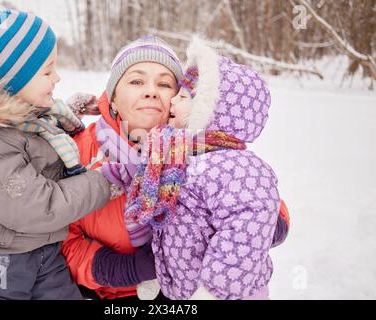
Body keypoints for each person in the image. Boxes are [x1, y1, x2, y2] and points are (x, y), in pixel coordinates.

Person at [0, 7, 111, 299]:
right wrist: (104, 181)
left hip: (41, 251)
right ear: (9, 84)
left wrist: (65, 115)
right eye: (47, 71)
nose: (57, 78)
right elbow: (39, 208)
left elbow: (35, 141)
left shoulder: (20, 119)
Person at [124, 38, 290, 300]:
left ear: (211, 109)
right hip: (182, 293)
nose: (172, 102)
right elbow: (169, 228)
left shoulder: (235, 167)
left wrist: (214, 291)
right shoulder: (177, 154)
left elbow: (245, 232)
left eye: (182, 96)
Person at [61, 35, 183, 299]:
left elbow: (257, 202)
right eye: (136, 81)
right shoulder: (75, 151)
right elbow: (57, 240)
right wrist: (114, 269)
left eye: (164, 83)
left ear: (177, 99)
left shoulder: (200, 145)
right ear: (113, 98)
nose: (151, 91)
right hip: (104, 292)